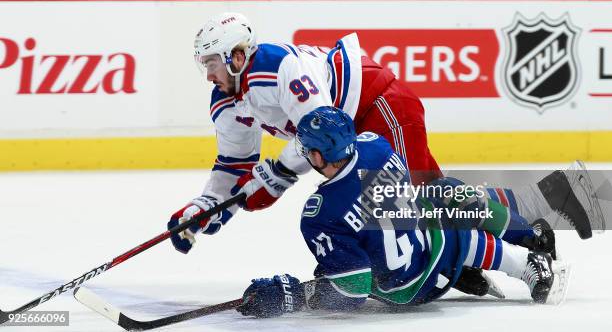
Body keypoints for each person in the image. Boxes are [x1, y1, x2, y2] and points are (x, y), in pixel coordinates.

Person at [166, 12, 604, 297]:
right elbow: (233, 167)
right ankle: (468, 251)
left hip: (376, 104)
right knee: (405, 207)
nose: (207, 74)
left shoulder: (277, 67)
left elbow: (323, 127)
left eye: (212, 62)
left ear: (238, 56)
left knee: (421, 195)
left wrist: (278, 172)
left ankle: (526, 236)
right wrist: (204, 208)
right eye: (202, 64)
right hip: (349, 127)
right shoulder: (226, 102)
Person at [234, 107, 565, 317]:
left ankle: (485, 263)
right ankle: (525, 257)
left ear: (319, 156)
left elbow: (353, 290)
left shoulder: (319, 214)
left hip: (406, 294)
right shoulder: (375, 146)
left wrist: (296, 294)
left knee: (432, 214)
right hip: (432, 254)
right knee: (447, 197)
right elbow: (393, 199)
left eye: (306, 148)